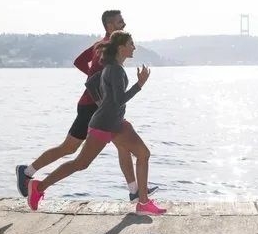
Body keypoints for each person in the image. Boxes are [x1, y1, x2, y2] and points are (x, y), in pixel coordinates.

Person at [15, 11, 157, 203]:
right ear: (108, 26)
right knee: (70, 149)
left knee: (122, 146)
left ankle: (135, 191)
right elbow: (88, 73)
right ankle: (28, 172)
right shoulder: (103, 47)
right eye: (119, 22)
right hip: (91, 106)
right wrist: (99, 85)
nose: (123, 24)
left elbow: (83, 65)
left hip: (103, 108)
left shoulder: (109, 46)